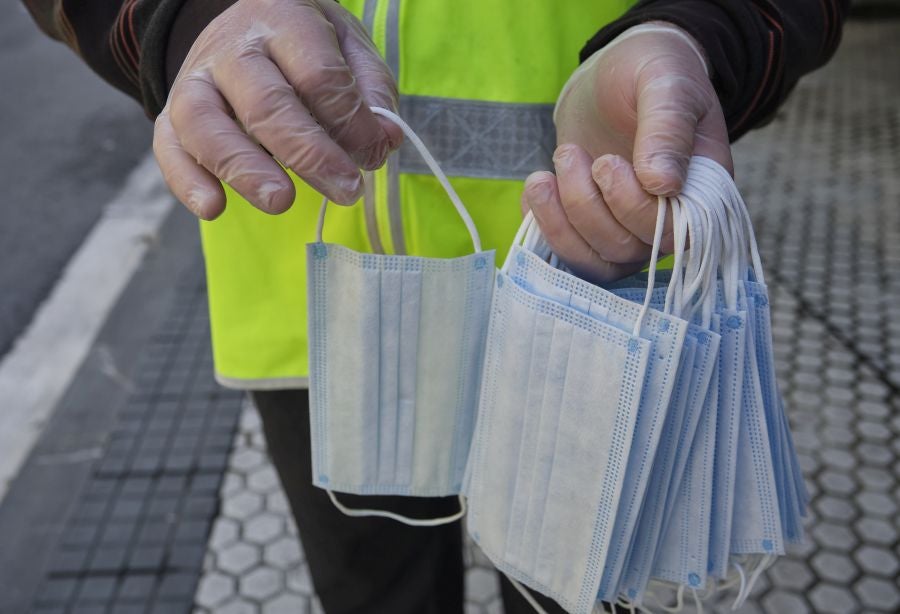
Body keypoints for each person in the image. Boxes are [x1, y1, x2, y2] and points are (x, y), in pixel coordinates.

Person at [24, 0, 848, 611]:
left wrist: (697, 33)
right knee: (377, 592)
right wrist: (190, 18)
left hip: (589, 301)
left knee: (579, 589)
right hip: (331, 327)